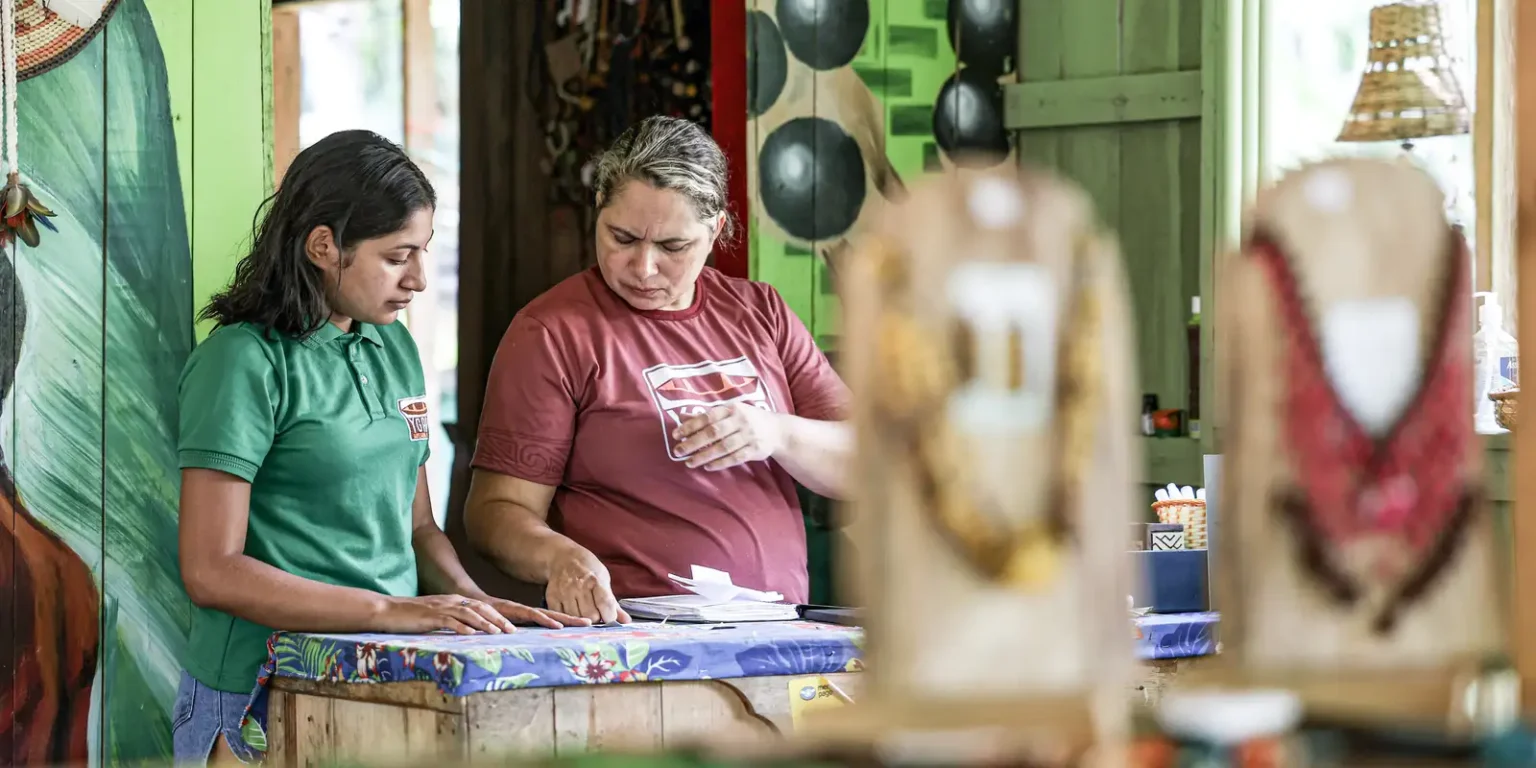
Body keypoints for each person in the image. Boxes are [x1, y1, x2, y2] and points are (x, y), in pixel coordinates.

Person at [173, 130, 586, 765]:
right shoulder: (242, 362)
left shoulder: (394, 348)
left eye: (422, 252)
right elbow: (210, 570)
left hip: (382, 677)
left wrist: (472, 606)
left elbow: (417, 528)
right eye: (397, 256)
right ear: (323, 246)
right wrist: (389, 610)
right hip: (259, 688)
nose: (418, 278)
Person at [464, 116, 853, 624]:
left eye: (673, 247)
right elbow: (495, 512)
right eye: (622, 238)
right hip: (632, 636)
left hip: (775, 629)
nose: (643, 267)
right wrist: (560, 558)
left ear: (715, 232)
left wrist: (776, 432)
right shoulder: (553, 332)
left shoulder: (762, 314)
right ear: (597, 209)